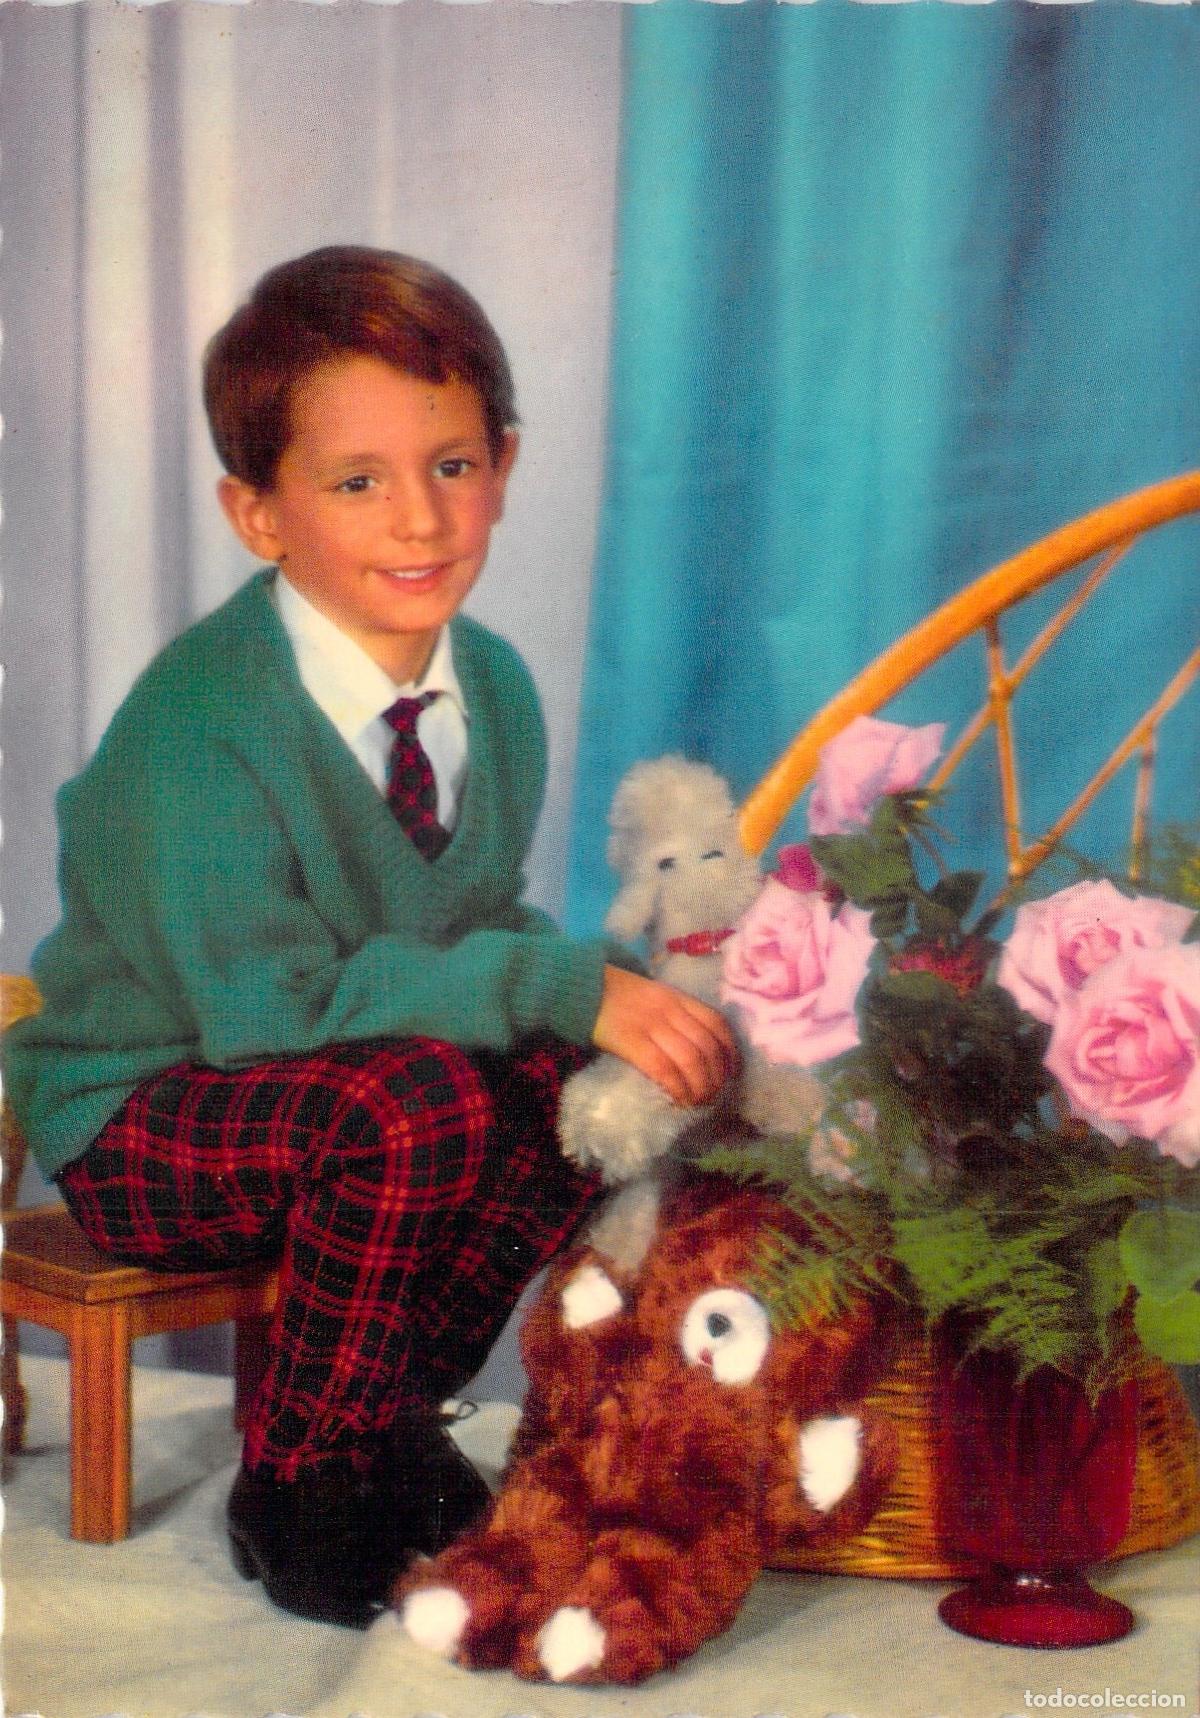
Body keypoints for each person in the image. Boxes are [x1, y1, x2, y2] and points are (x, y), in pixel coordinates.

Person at [5, 246, 739, 1628]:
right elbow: (267, 1014)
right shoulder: (200, 725)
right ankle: (298, 1477)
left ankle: (378, 1423)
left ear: (506, 464)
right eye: (357, 482)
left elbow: (461, 936)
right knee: (418, 1103)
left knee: (571, 1096)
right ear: (258, 512)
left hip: (343, 1081)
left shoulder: (496, 689)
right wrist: (558, 976)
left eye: (453, 465)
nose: (421, 518)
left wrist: (626, 997)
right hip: (147, 1104)